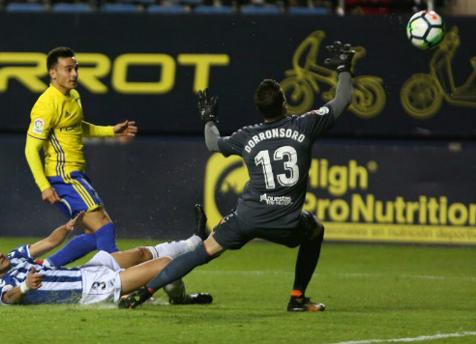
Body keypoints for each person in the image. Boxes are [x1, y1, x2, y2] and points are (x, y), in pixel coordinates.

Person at [119, 41, 356, 312]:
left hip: (246, 218)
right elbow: (342, 99)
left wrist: (208, 118)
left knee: (202, 253)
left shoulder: (247, 136)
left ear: (259, 109)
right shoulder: (305, 125)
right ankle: (297, 297)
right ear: (285, 103)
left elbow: (212, 143)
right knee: (315, 230)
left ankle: (142, 293)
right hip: (286, 222)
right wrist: (344, 67)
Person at [24, 46, 138, 268]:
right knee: (104, 225)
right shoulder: (46, 104)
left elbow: (78, 127)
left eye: (75, 68)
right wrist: (43, 186)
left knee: (93, 233)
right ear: (53, 73)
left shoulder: (74, 96)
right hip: (64, 176)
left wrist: (111, 131)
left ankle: (45, 267)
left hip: (76, 174)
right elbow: (30, 149)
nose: (74, 74)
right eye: (68, 69)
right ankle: (120, 282)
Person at [0, 209, 213, 306]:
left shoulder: (14, 257)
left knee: (141, 253)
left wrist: (65, 228)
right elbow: (8, 298)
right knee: (166, 266)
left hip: (85, 271)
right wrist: (25, 287)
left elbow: (49, 242)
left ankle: (194, 241)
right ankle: (180, 297)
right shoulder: (0, 286)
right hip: (89, 288)